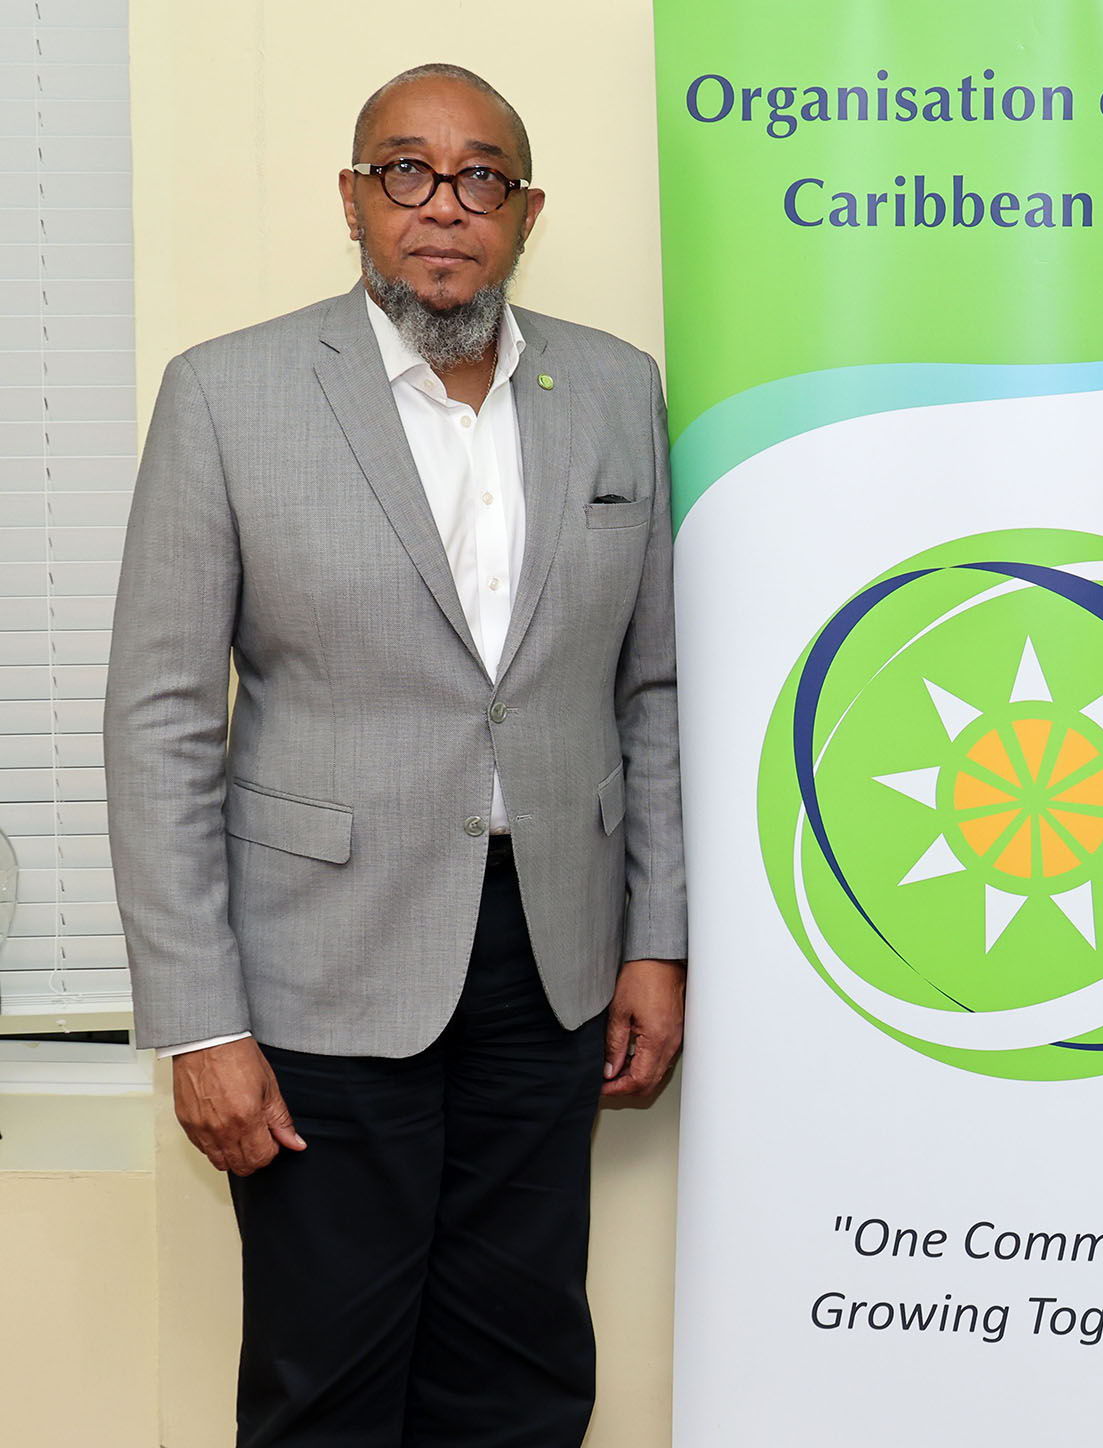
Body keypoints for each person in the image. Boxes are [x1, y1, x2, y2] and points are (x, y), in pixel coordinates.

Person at [104, 63, 686, 1446]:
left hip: (552, 967)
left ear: (525, 211)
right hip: (317, 975)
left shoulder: (613, 391)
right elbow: (162, 719)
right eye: (405, 173)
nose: (443, 206)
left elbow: (649, 687)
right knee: (329, 1384)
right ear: (353, 200)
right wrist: (200, 1020)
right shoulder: (227, 395)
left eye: (479, 176)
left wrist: (656, 938)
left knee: (524, 1371)